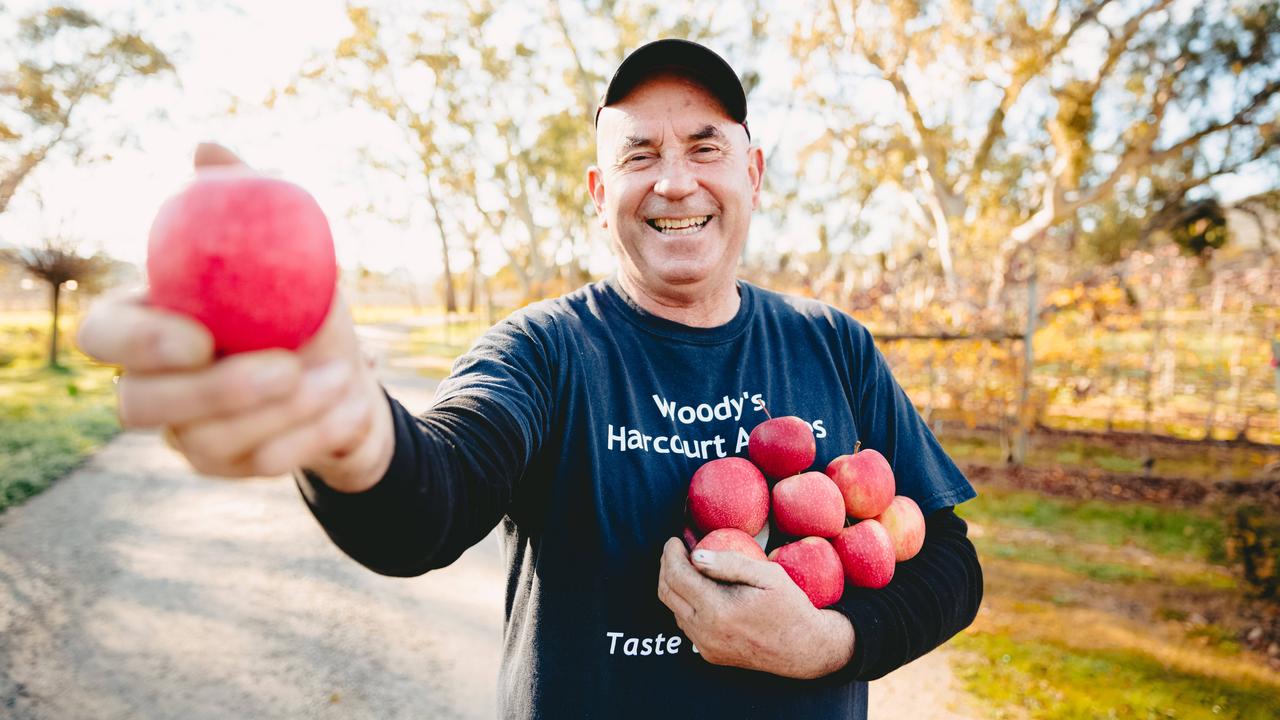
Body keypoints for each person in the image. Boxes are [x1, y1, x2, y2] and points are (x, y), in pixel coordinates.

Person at [78, 39, 982, 719]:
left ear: (752, 171)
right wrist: (350, 434)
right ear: (598, 193)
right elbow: (428, 502)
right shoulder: (547, 351)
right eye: (638, 157)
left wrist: (824, 643)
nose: (674, 182)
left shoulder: (835, 344)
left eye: (705, 148)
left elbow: (949, 562)